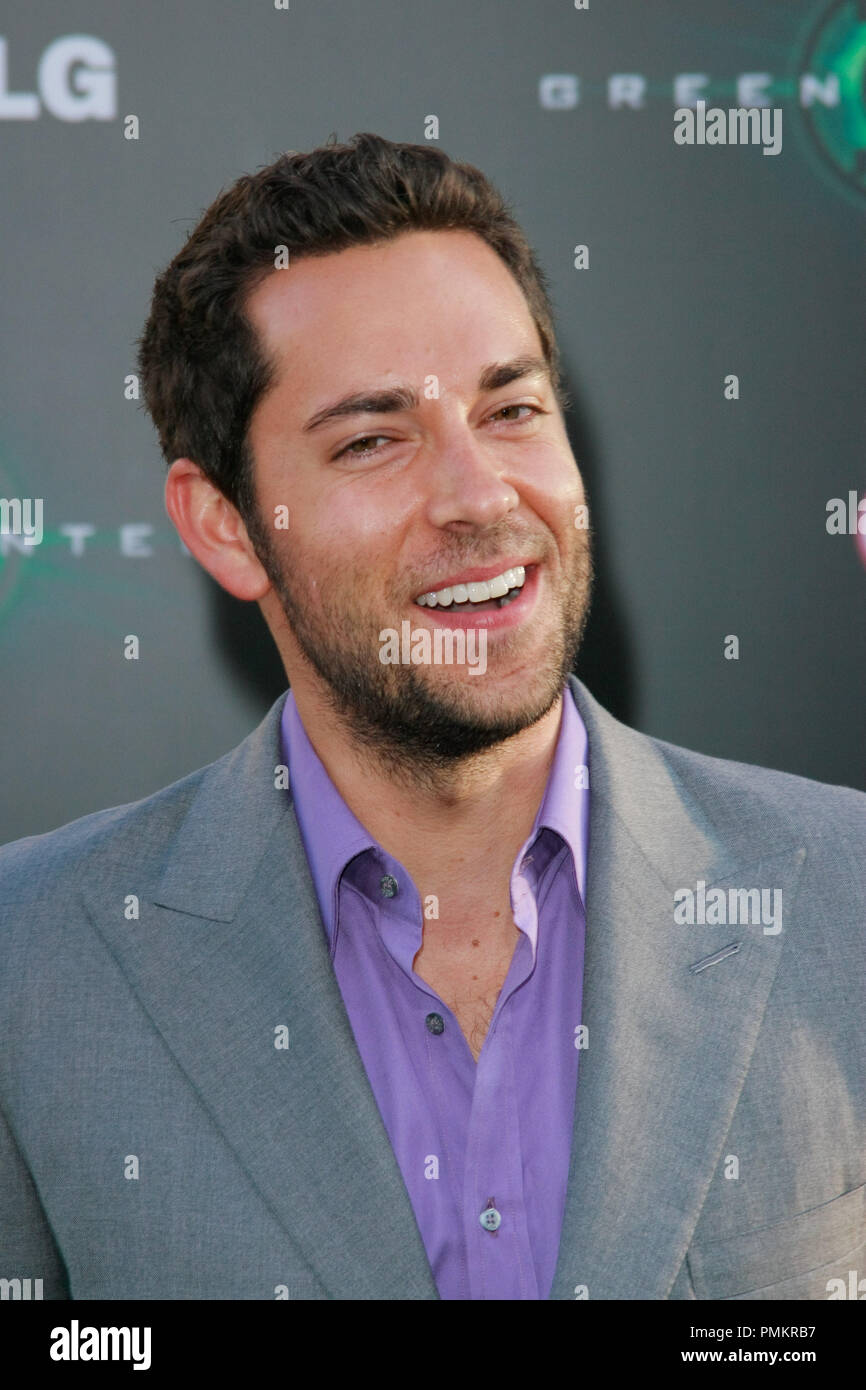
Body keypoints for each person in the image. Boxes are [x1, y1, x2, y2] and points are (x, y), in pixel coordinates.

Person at [1, 133, 863, 1302]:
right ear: (226, 525)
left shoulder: (840, 899)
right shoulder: (35, 970)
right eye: (371, 440)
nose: (476, 496)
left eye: (510, 410)